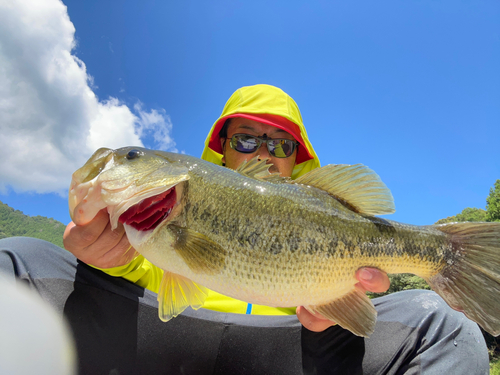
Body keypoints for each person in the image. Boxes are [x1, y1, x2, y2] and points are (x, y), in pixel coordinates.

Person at [0, 84, 489, 374]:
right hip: (169, 344)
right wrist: (100, 257)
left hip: (292, 349)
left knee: (442, 323)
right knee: (20, 260)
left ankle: (439, 254)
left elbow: (355, 319)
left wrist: (333, 315)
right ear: (222, 149)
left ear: (300, 159)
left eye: (281, 145)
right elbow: (148, 287)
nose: (262, 153)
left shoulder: (320, 203)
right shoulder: (151, 221)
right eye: (247, 137)